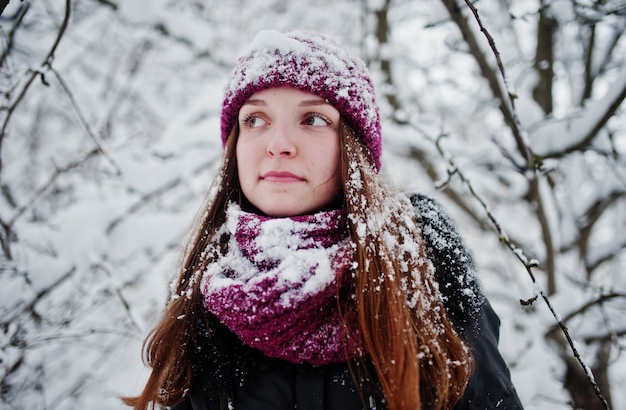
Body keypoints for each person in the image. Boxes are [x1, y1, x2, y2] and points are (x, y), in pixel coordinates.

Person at [123, 30, 523, 410]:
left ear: (352, 147)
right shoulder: (206, 287)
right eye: (255, 120)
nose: (278, 145)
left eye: (312, 120)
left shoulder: (423, 264)